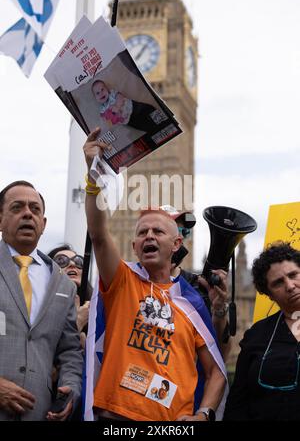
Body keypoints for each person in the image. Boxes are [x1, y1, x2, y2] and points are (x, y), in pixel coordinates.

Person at [83, 129, 226, 422]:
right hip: (117, 417)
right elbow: (98, 236)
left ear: (177, 245)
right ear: (134, 246)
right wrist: (94, 177)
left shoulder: (192, 301)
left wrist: (203, 414)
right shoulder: (122, 280)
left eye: (158, 231)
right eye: (142, 232)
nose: (149, 235)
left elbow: (216, 372)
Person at [0, 181, 83, 421]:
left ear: (44, 224)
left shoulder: (62, 284)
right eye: (17, 208)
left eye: (35, 209)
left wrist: (70, 389)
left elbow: (69, 350)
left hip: (39, 412)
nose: (28, 213)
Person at [224, 242, 300, 421]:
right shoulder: (257, 335)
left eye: (293, 275)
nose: (290, 286)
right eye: (278, 283)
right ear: (269, 294)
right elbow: (238, 402)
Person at [162, 206, 231, 361]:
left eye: (184, 232)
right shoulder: (131, 280)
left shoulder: (197, 286)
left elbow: (222, 355)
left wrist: (219, 309)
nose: (179, 237)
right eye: (169, 229)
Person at [48, 244, 91, 346]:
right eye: (61, 261)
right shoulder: (41, 307)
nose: (72, 264)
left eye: (78, 261)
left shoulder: (98, 307)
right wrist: (79, 321)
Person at [91, 79, 160, 133]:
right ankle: (157, 129)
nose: (101, 93)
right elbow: (107, 120)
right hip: (129, 120)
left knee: (148, 109)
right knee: (145, 126)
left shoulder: (112, 94)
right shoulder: (103, 109)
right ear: (95, 98)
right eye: (97, 93)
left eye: (102, 89)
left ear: (107, 89)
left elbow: (120, 97)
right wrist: (111, 120)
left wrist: (117, 106)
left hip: (133, 107)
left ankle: (160, 119)